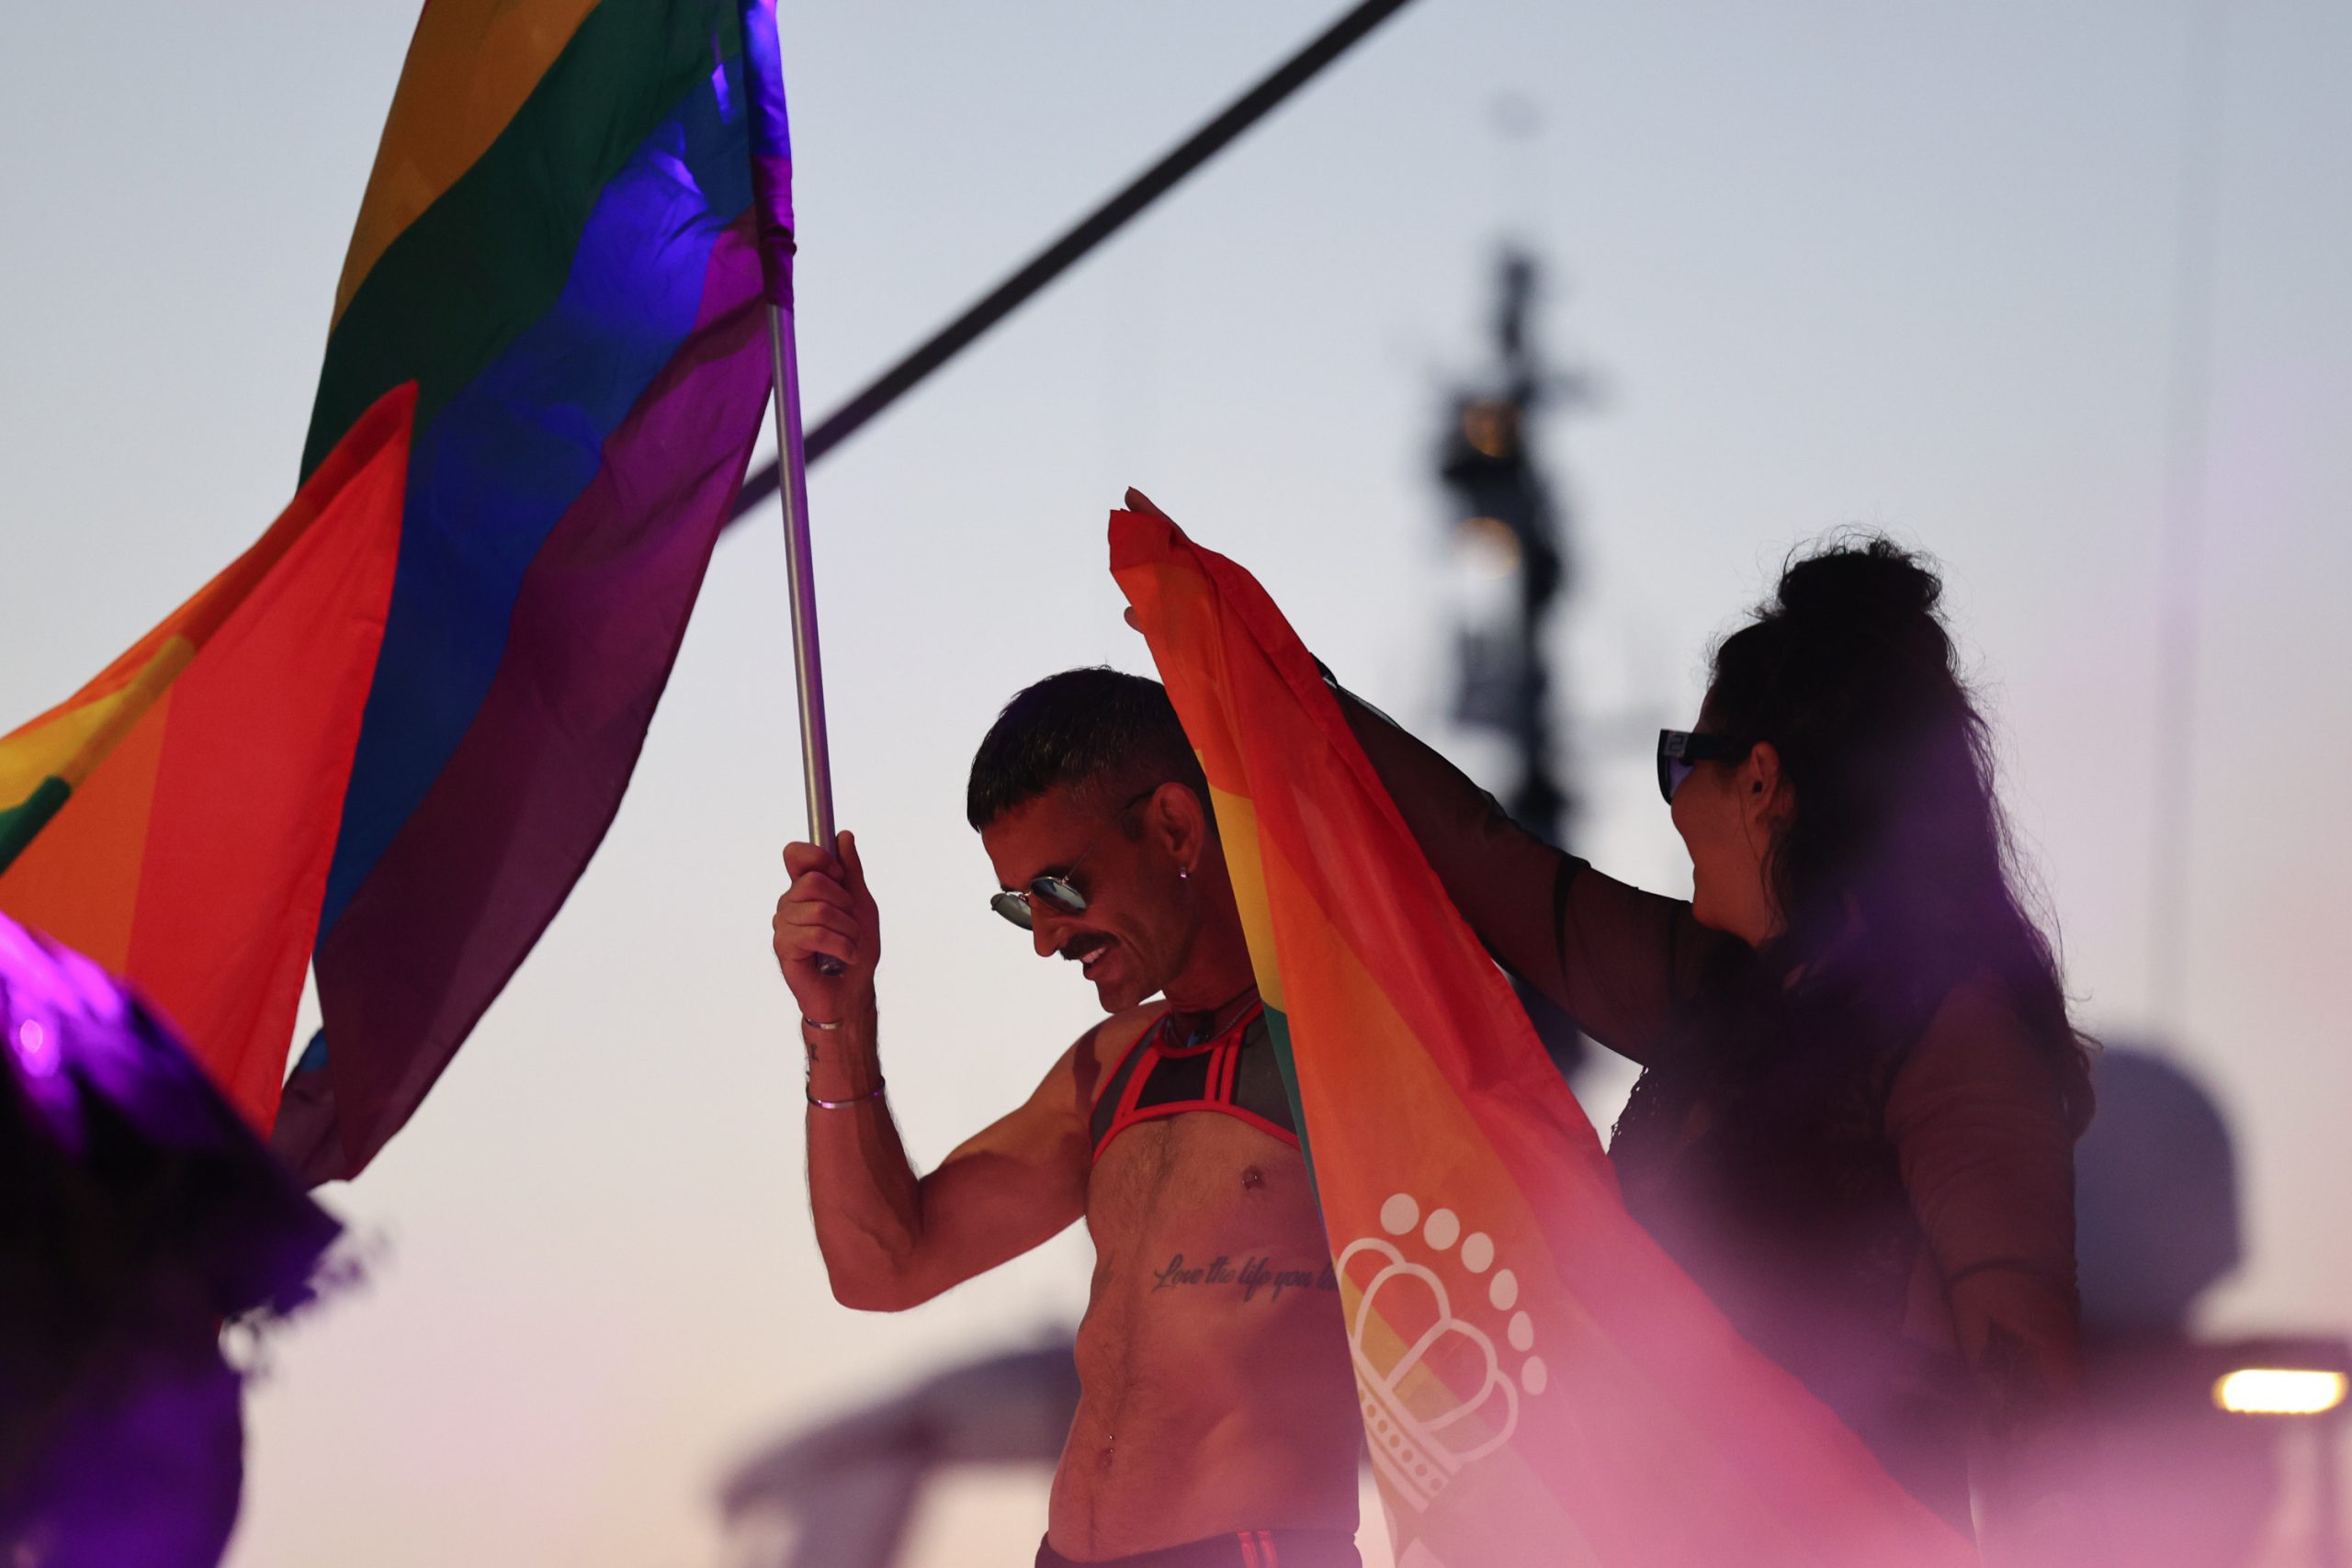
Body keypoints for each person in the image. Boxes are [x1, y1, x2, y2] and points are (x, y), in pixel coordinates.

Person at [1338, 536, 2099, 1563]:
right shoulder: (1728, 988)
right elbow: (1484, 857)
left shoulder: (1953, 1037)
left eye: (1679, 762)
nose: (1674, 802)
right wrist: (1283, 694)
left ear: (1759, 782)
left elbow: (2029, 1381)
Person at [772, 669, 1363, 1568]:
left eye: (1061, 886)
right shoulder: (1109, 1069)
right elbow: (882, 1266)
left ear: (1175, 827)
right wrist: (839, 1016)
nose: (1047, 937)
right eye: (1021, 905)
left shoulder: (1347, 1052)